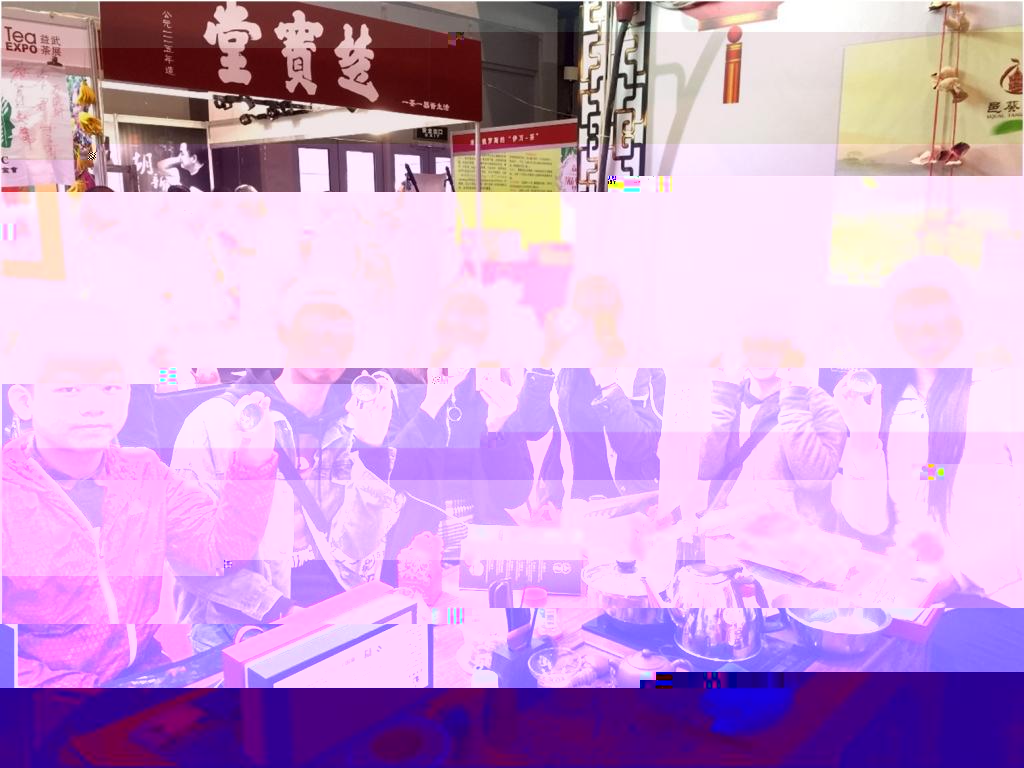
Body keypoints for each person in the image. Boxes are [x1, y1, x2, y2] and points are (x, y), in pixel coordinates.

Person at [2, 364, 278, 686]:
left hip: (148, 677)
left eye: (111, 387)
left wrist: (251, 463)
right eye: (69, 389)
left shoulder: (144, 473)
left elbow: (221, 557)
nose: (94, 405)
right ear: (24, 402)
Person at [833, 366, 1024, 608]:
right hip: (910, 590)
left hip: (994, 597)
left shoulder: (1003, 390)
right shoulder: (885, 396)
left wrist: (956, 574)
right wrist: (863, 438)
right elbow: (870, 523)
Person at [370, 368, 534, 569]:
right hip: (415, 558)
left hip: (484, 553)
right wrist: (430, 406)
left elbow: (514, 495)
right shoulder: (395, 391)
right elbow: (390, 480)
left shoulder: (492, 390)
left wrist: (497, 431)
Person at [698, 359, 847, 533]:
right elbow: (704, 470)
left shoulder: (819, 403)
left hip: (793, 539)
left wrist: (795, 402)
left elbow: (814, 481)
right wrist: (723, 398)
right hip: (726, 533)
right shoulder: (727, 395)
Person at [517, 369, 666, 506]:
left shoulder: (643, 369)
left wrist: (609, 387)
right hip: (568, 501)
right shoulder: (561, 364)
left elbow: (639, 447)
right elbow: (532, 430)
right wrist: (541, 369)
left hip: (628, 505)